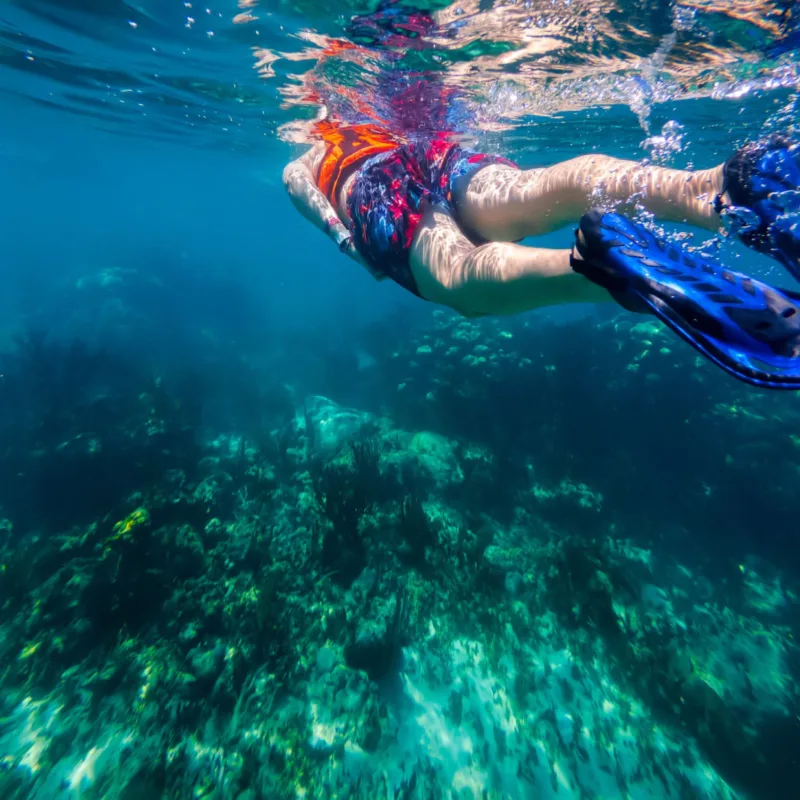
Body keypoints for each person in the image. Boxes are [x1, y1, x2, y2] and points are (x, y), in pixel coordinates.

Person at [283, 6, 800, 389]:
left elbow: (297, 184)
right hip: (435, 150)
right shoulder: (385, 108)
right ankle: (718, 188)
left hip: (372, 180)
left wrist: (346, 239)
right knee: (531, 192)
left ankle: (611, 273)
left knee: (459, 278)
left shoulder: (317, 143)